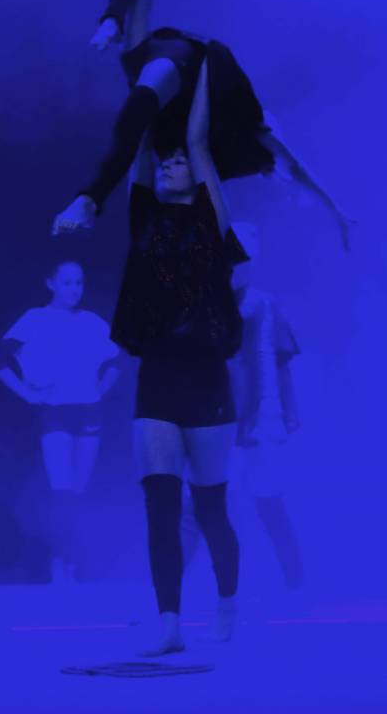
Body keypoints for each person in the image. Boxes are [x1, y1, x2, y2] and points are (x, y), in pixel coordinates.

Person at [56, 58, 246, 656]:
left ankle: (226, 605)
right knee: (160, 508)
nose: (168, 164)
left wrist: (203, 68)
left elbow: (196, 140)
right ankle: (168, 624)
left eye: (177, 162)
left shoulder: (212, 218)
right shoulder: (144, 214)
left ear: (196, 175)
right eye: (163, 163)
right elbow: (139, 142)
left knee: (210, 507)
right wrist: (145, 85)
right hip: (157, 376)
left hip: (208, 379)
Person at [52, 0, 352, 250]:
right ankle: (90, 199)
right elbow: (291, 162)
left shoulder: (159, 123)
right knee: (151, 106)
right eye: (170, 174)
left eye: (165, 173)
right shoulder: (241, 143)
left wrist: (114, 18)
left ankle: (90, 199)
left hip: (164, 74)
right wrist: (333, 207)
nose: (166, 170)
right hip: (201, 73)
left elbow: (132, 144)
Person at [181, 220, 304, 600]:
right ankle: (168, 592)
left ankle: (296, 584)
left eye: (244, 257)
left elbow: (281, 362)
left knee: (268, 501)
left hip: (262, 422)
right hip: (220, 418)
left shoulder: (266, 305)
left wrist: (289, 413)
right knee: (201, 504)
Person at [0, 261, 119, 584]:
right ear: (51, 283)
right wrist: (26, 393)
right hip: (55, 411)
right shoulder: (34, 319)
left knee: (80, 490)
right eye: (67, 282)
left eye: (78, 282)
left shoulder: (92, 322)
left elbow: (115, 363)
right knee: (61, 488)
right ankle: (59, 563)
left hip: (88, 412)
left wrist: (98, 391)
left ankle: (74, 563)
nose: (74, 289)